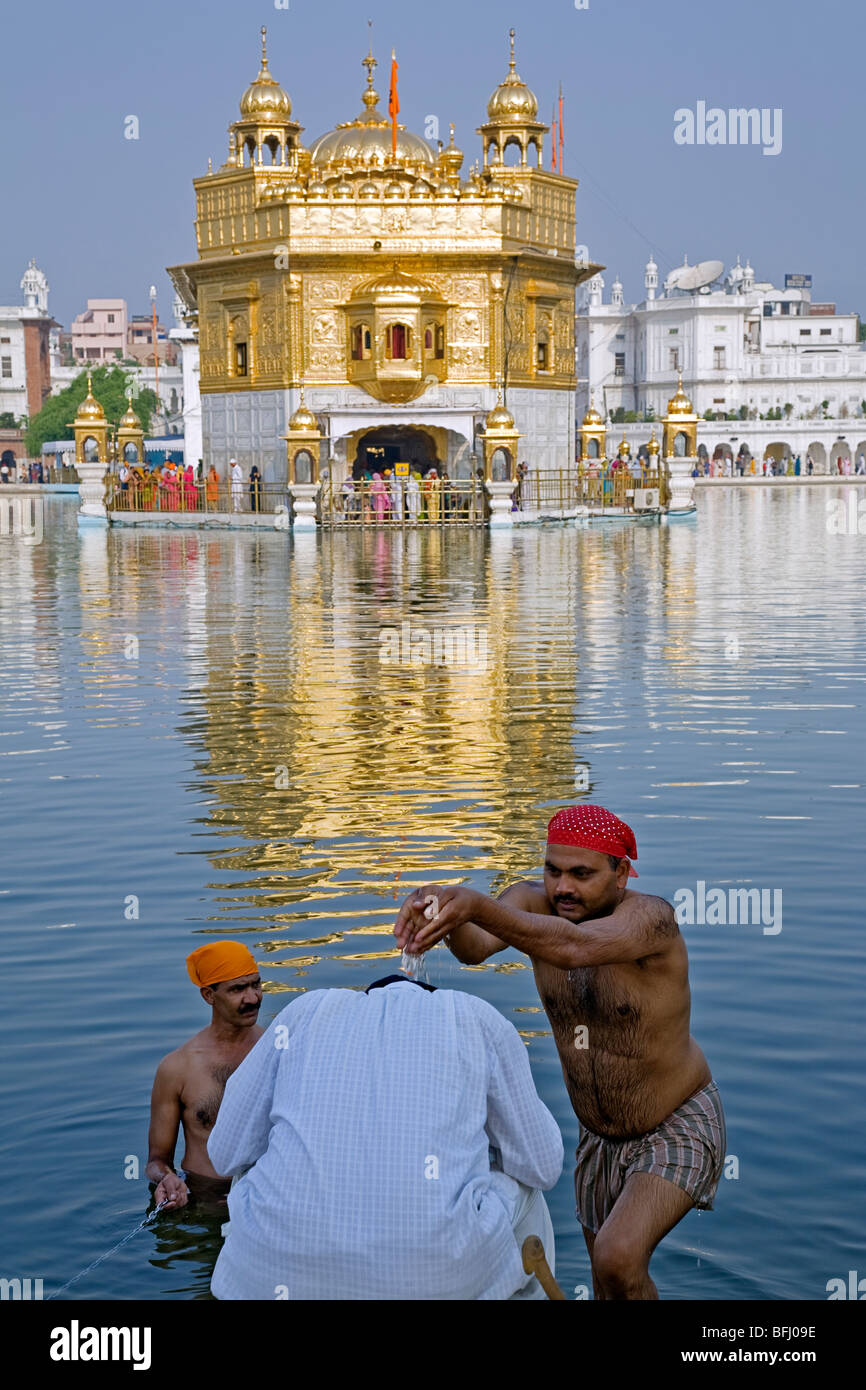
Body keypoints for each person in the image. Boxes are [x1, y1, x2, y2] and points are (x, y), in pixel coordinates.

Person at [395, 804, 725, 1302]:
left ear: (621, 873)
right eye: (553, 870)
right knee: (605, 1281)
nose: (562, 887)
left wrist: (478, 904)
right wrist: (441, 908)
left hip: (676, 1121)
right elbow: (473, 947)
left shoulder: (651, 919)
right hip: (597, 1136)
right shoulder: (530, 905)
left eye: (581, 874)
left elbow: (573, 948)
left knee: (618, 1258)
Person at [207, 973, 563, 1300]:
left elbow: (224, 1154)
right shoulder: (476, 1017)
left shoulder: (305, 1010)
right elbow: (543, 1167)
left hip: (266, 1277)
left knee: (248, 1166)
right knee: (528, 1190)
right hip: (440, 1277)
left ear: (367, 996)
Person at [146, 942, 263, 1210]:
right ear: (209, 996)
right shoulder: (177, 1068)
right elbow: (156, 1160)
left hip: (266, 1197)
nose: (253, 998)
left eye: (255, 985)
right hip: (203, 1199)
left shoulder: (279, 1050)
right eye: (237, 989)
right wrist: (167, 1179)